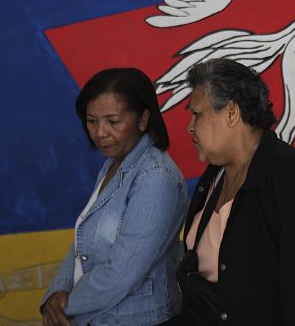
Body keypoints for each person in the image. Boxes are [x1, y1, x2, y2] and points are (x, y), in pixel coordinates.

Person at [177, 58, 295, 325]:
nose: (190, 126)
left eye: (197, 114)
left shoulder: (289, 176)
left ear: (231, 113)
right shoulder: (215, 175)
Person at [41, 68, 188, 326]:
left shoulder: (155, 175)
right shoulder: (115, 163)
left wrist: (64, 307)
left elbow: (122, 272)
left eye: (113, 121)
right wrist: (56, 292)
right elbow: (82, 239)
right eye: (92, 121)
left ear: (143, 119)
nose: (100, 132)